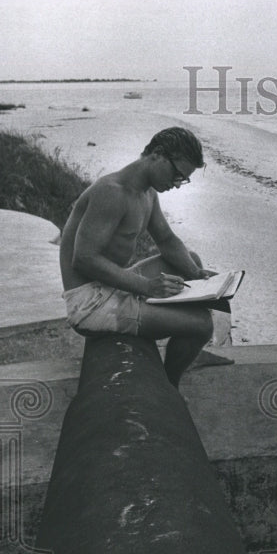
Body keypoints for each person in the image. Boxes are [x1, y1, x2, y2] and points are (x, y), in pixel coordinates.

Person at [59, 127, 214, 387]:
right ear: (158, 155)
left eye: (183, 180)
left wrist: (198, 276)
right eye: (177, 175)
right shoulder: (112, 191)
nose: (177, 184)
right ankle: (169, 385)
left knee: (192, 262)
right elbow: (84, 259)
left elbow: (166, 239)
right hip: (89, 303)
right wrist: (146, 287)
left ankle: (180, 347)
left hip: (109, 287)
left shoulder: (147, 192)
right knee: (202, 326)